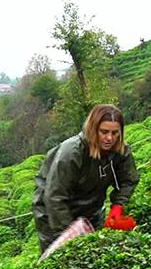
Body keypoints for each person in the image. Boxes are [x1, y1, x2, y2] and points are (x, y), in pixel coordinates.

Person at [32, 103, 139, 253]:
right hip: (54, 213)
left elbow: (129, 179)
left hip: (91, 209)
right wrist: (70, 235)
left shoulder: (119, 150)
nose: (109, 138)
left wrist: (118, 205)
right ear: (93, 129)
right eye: (104, 132)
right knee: (65, 258)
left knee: (95, 253)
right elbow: (55, 197)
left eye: (115, 133)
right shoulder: (71, 153)